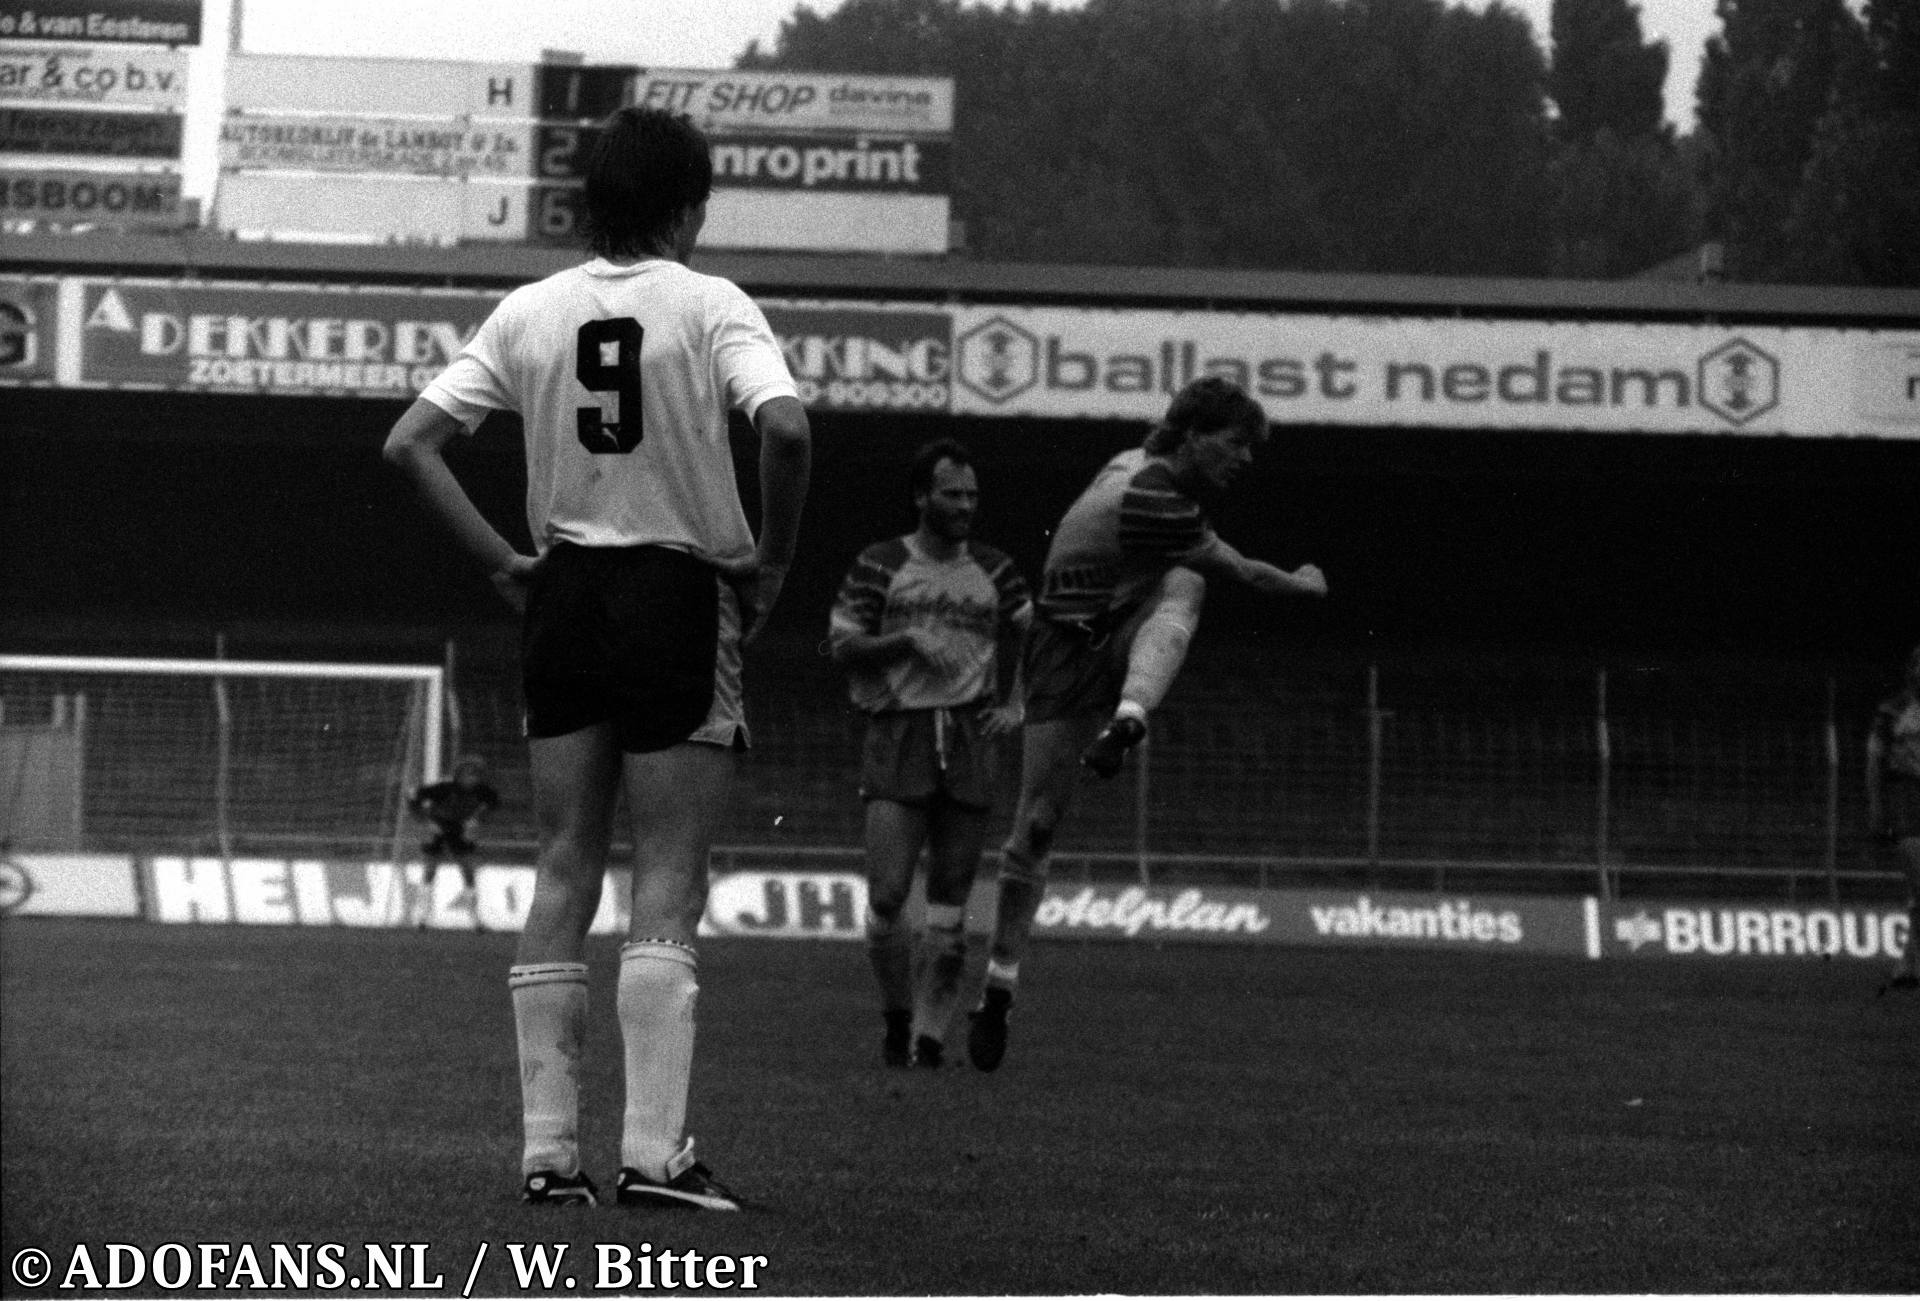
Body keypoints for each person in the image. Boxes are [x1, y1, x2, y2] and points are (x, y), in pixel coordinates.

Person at [383, 105, 811, 1210]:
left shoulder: (530, 309)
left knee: (564, 862)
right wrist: (771, 561)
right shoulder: (711, 304)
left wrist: (503, 563)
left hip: (565, 591)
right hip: (677, 591)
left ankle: (545, 1151)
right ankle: (656, 1155)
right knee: (667, 865)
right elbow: (788, 429)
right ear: (685, 205)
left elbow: (410, 442)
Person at [965, 376, 1327, 1072]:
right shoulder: (1158, 498)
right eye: (1235, 442)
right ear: (1192, 432)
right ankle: (1000, 989)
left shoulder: (1129, 464)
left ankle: (1131, 714)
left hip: (1107, 631)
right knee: (1034, 828)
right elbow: (1248, 573)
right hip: (1064, 650)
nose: (1244, 459)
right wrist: (1304, 581)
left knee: (1184, 579)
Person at [829, 439, 1032, 1070]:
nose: (964, 505)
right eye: (951, 493)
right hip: (901, 731)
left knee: (951, 896)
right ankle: (895, 1016)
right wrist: (909, 638)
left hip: (971, 737)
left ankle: (929, 1036)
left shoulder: (997, 570)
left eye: (972, 494)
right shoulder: (881, 563)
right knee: (888, 895)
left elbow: (1025, 626)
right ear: (922, 496)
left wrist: (1014, 698)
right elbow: (842, 645)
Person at [1867, 643, 1920, 995]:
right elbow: (1874, 761)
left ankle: (1907, 962)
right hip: (1908, 797)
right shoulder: (1891, 711)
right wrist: (1876, 807)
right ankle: (1907, 960)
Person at [406, 754, 500, 929]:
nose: (472, 778)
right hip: (439, 827)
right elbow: (412, 795)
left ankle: (475, 917)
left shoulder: (484, 792)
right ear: (459, 775)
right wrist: (426, 822)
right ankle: (422, 916)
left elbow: (492, 805)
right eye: (468, 774)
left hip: (460, 828)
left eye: (476, 774)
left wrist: (477, 819)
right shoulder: (443, 789)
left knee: (467, 869)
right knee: (430, 869)